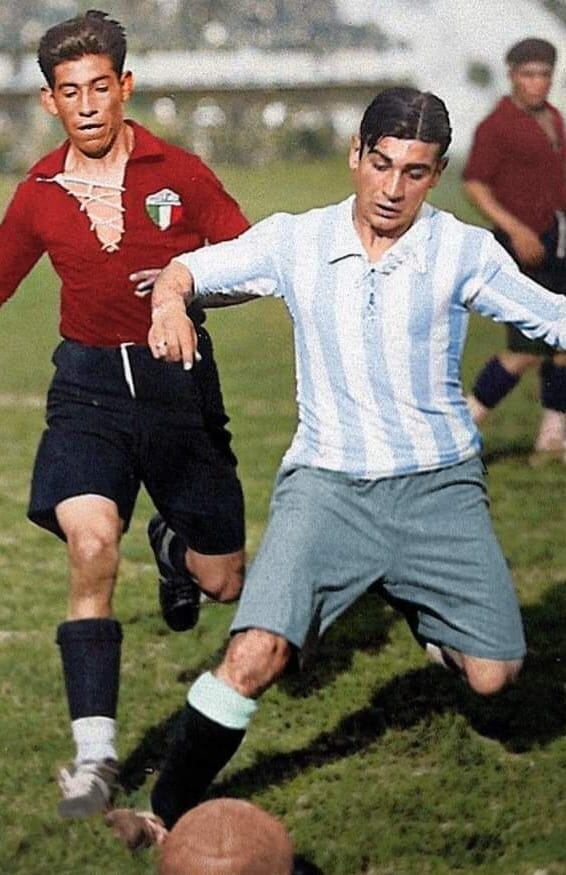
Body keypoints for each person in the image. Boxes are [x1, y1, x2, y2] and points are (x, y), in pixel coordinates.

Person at [119, 85, 566, 833]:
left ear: (438, 173)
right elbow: (187, 270)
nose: (393, 189)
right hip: (326, 485)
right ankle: (164, 813)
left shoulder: (461, 250)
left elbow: (549, 316)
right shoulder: (298, 238)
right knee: (255, 654)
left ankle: (411, 596)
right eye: (381, 164)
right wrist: (169, 302)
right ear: (355, 155)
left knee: (495, 676)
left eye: (416, 173)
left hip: (439, 487)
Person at [0, 10, 250, 818]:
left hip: (179, 388)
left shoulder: (180, 170)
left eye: (100, 87)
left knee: (224, 580)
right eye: (69, 92)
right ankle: (95, 757)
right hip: (88, 395)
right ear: (50, 102)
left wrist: (185, 283)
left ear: (125, 87)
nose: (87, 105)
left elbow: (250, 258)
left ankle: (177, 548)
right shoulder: (38, 192)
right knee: (91, 539)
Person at [463, 38, 566, 464]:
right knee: (525, 350)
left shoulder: (554, 119)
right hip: (522, 247)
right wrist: (515, 229)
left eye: (544, 74)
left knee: (562, 345)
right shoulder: (497, 126)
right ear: (512, 75)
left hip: (557, 240)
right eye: (528, 74)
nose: (537, 83)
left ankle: (553, 436)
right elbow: (474, 183)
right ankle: (461, 427)